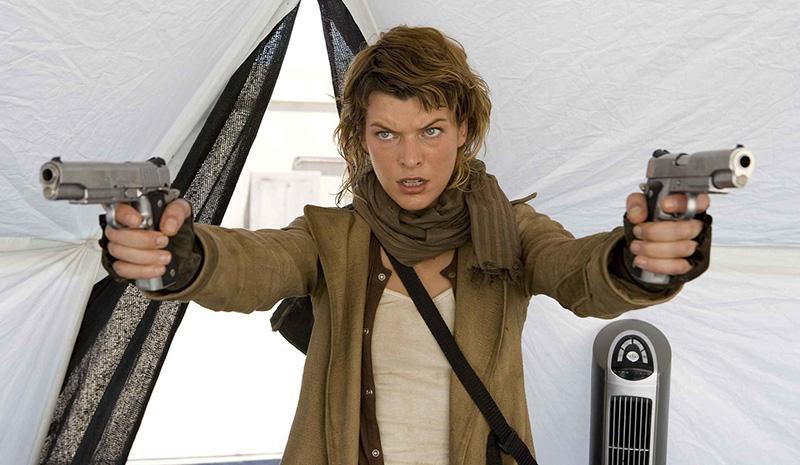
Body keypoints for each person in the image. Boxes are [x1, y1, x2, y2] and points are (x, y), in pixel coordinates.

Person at [102, 26, 711, 465]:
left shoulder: (510, 231)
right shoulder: (332, 238)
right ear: (361, 137)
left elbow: (578, 273)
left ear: (464, 129)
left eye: (431, 130)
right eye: (387, 133)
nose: (410, 158)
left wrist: (639, 260)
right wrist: (183, 257)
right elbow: (254, 265)